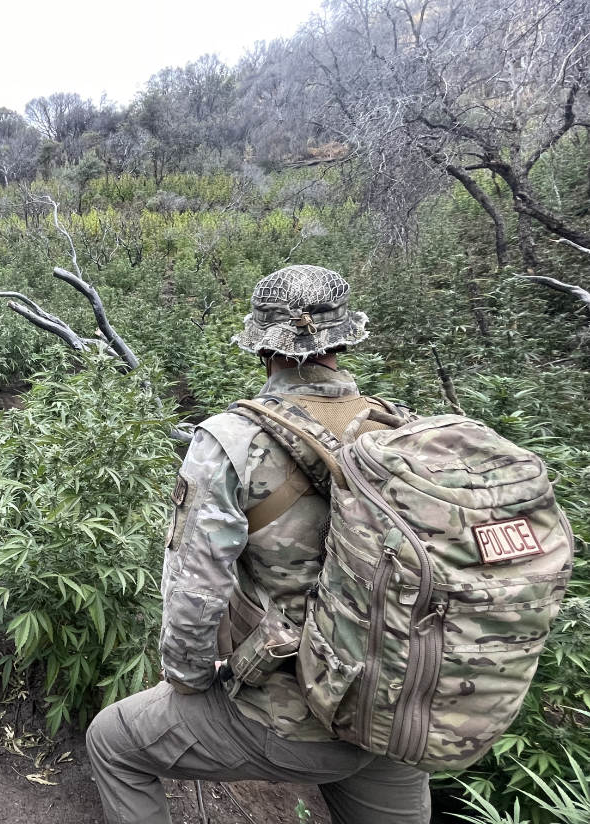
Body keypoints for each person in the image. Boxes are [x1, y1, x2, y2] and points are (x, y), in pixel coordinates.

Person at [85, 265, 431, 824]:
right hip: (401, 713)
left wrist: (190, 679)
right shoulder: (404, 430)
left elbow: (195, 591)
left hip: (292, 719)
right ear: (342, 340)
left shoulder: (232, 440)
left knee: (113, 743)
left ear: (262, 347)